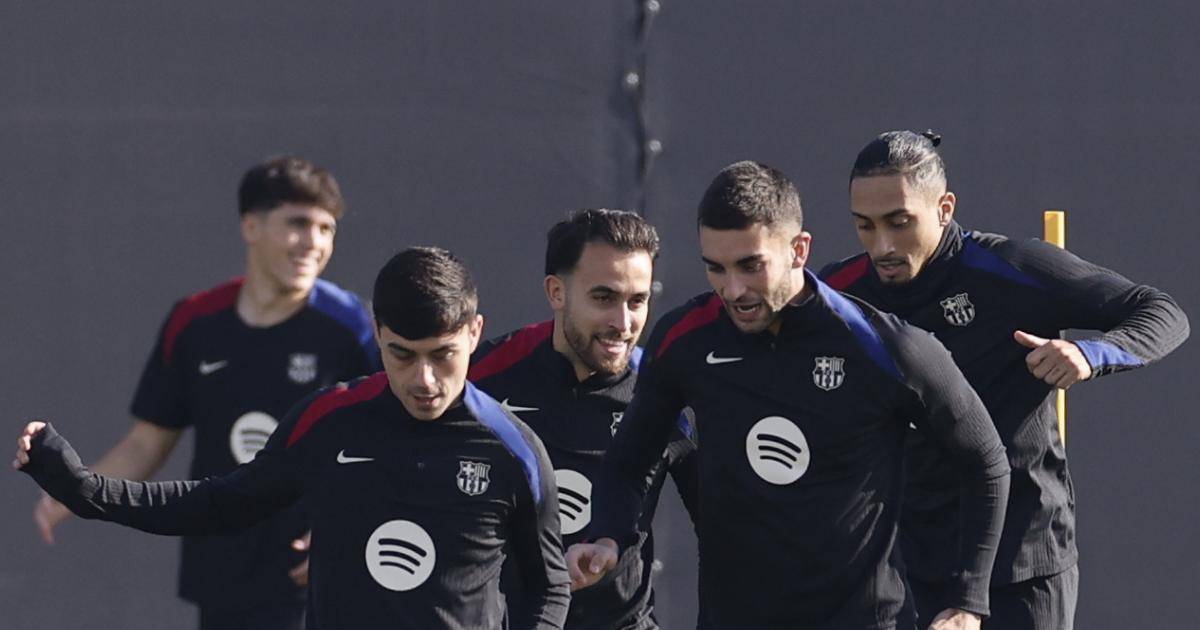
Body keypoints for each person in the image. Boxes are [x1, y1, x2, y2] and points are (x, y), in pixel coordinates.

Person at [14, 247, 571, 629]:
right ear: (378, 334)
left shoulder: (516, 450)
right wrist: (85, 490)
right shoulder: (328, 421)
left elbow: (548, 587)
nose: (425, 380)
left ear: (474, 333)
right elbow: (218, 504)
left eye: (442, 355)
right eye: (403, 355)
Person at [569, 161, 1011, 630]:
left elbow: (985, 461)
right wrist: (609, 536)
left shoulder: (886, 346)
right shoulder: (685, 338)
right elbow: (630, 460)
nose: (733, 289)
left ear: (799, 250)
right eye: (715, 268)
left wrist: (968, 601)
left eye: (751, 266)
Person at [821, 130, 1190, 629]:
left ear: (944, 208)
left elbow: (1162, 312)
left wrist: (1088, 353)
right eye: (864, 226)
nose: (882, 245)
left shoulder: (1009, 268)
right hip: (911, 566)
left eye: (899, 222)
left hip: (1024, 564)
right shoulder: (842, 292)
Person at [31, 155, 377, 629]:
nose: (314, 243)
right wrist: (75, 488)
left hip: (314, 577)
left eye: (326, 229)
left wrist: (348, 526)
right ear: (251, 226)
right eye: (298, 224)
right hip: (222, 566)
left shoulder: (354, 327)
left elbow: (393, 440)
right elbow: (147, 443)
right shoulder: (194, 322)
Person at [469, 209, 697, 630]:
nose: (623, 324)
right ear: (556, 292)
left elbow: (730, 516)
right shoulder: (482, 379)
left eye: (637, 301)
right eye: (603, 298)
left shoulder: (665, 392)